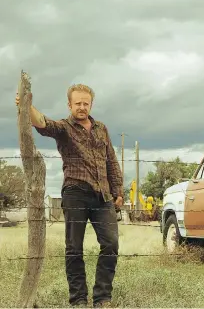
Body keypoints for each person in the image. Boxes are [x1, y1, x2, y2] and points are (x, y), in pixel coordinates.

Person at [16, 84, 123, 307]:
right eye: (78, 103)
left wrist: (118, 191)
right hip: (76, 193)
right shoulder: (64, 128)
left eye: (86, 103)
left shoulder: (101, 128)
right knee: (74, 247)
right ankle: (79, 300)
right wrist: (27, 106)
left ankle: (102, 297)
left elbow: (111, 160)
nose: (82, 107)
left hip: (103, 196)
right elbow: (43, 123)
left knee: (111, 244)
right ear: (70, 105)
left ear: (91, 104)